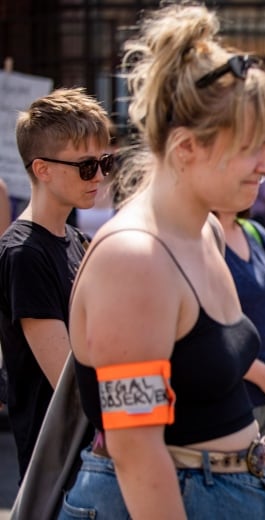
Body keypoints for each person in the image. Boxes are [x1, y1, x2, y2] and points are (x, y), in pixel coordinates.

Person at [61, 4, 265, 518]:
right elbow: (136, 451)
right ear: (186, 148)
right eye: (252, 147)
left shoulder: (203, 228)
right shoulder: (135, 260)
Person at [0, 87, 112, 481]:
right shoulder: (23, 253)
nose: (99, 176)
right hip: (63, 470)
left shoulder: (77, 241)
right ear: (42, 169)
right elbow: (68, 382)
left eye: (104, 162)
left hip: (92, 460)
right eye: (86, 166)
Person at [214, 208, 265, 457]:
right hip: (230, 400)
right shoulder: (200, 237)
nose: (259, 170)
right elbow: (204, 325)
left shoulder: (256, 233)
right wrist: (262, 375)